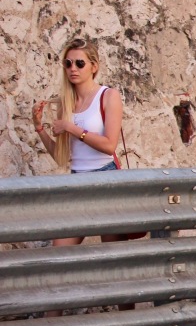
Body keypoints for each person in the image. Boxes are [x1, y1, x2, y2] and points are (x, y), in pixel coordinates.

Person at [31, 37, 128, 248]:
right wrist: (39, 128)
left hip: (106, 179)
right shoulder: (65, 103)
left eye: (79, 63)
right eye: (68, 63)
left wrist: (71, 128)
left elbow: (109, 145)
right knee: (60, 251)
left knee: (112, 255)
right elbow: (61, 156)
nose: (72, 68)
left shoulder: (108, 96)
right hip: (78, 182)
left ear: (94, 66)